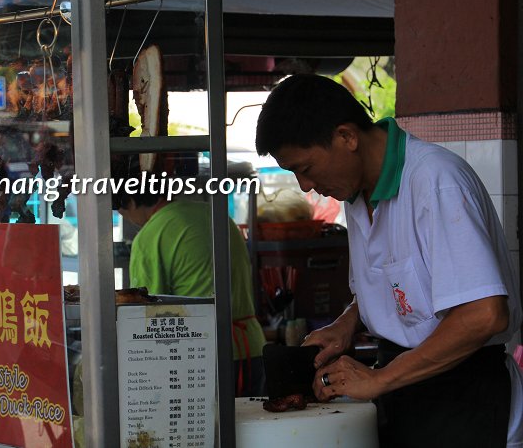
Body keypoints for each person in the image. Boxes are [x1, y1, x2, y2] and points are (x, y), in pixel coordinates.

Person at [254, 73, 522, 447]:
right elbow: (398, 286)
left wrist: (379, 378)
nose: (304, 186)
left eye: (306, 168)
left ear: (346, 137)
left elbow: (485, 314)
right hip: (405, 395)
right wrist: (348, 323)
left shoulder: (436, 180)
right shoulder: (356, 195)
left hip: (465, 396)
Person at [113, 183, 267, 397]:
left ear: (130, 202)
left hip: (201, 355)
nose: (128, 219)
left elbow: (147, 315)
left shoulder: (150, 236)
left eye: (123, 212)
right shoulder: (214, 214)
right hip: (251, 347)